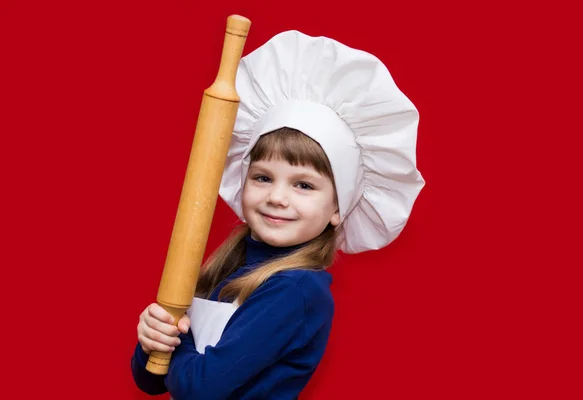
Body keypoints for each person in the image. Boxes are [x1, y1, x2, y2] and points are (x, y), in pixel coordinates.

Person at [131, 30, 425, 399]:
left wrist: (181, 333)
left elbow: (199, 389)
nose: (277, 197)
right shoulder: (231, 265)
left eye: (304, 185)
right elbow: (152, 382)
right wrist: (153, 341)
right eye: (263, 177)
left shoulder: (295, 290)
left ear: (338, 208)